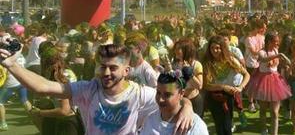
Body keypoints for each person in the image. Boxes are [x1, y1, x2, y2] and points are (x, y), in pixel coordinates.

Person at [0, 43, 194, 135]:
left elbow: (172, 98)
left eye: (113, 68)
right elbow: (44, 87)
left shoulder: (140, 93)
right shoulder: (88, 89)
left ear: (126, 70)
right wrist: (12, 65)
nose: (106, 72)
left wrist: (187, 106)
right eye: (102, 66)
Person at [29, 41, 83, 135]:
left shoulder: (60, 78)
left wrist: (39, 113)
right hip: (74, 119)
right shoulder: (67, 71)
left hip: (67, 124)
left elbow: (64, 110)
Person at [245, 31, 292, 135]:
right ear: (269, 42)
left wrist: (286, 63)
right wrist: (278, 55)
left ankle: (274, 133)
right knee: (263, 110)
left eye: (278, 42)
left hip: (276, 81)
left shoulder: (276, 50)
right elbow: (263, 59)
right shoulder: (262, 52)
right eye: (275, 41)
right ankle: (263, 129)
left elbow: (278, 64)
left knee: (275, 112)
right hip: (263, 82)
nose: (277, 44)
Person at [203, 35, 250, 135]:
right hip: (214, 96)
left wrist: (240, 87)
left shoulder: (230, 60)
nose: (215, 50)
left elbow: (247, 74)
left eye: (218, 48)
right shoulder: (208, 62)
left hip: (229, 97)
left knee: (227, 126)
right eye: (212, 48)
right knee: (219, 126)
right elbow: (206, 85)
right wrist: (223, 87)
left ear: (222, 48)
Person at [139, 71, 208, 135]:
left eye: (167, 95)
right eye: (158, 93)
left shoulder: (194, 125)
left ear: (181, 94)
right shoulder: (150, 120)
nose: (160, 99)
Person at [0, 43, 32, 131]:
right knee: (25, 100)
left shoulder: (6, 57)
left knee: (0, 103)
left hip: (10, 84)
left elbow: (4, 72)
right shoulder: (21, 56)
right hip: (21, 81)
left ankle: (3, 124)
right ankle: (33, 118)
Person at [171, 38, 204, 117]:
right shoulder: (175, 65)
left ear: (186, 50)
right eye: (175, 48)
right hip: (179, 101)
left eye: (179, 49)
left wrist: (190, 74)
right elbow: (173, 85)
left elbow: (199, 86)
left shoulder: (196, 65)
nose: (176, 51)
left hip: (194, 101)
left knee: (195, 126)